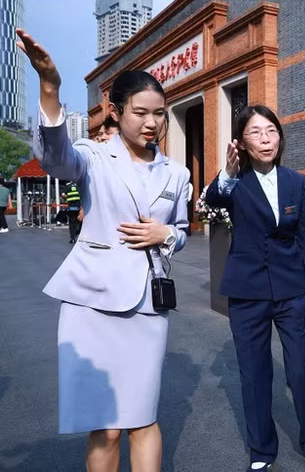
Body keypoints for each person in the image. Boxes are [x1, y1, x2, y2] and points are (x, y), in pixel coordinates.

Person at [18, 28, 190, 472]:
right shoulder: (92, 156)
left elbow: (183, 229)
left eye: (161, 114)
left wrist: (165, 236)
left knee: (143, 421)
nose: (152, 123)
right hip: (91, 303)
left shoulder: (177, 174)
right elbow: (55, 157)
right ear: (115, 112)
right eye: (140, 113)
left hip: (146, 309)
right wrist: (50, 86)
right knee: (106, 427)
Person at [203, 105, 305, 472]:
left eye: (271, 131)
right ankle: (261, 449)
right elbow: (212, 202)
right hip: (248, 292)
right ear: (241, 141)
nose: (265, 139)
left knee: (302, 368)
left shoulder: (295, 180)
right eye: (256, 132)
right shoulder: (235, 181)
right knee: (255, 372)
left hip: (292, 290)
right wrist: (226, 173)